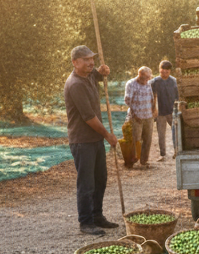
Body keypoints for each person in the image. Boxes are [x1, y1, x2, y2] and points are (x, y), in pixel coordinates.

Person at [64, 45, 119, 236]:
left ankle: (97, 216)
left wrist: (101, 72)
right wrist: (108, 135)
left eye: (92, 58)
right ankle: (86, 222)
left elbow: (96, 75)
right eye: (86, 59)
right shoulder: (75, 84)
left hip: (94, 140)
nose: (91, 62)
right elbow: (88, 118)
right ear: (75, 62)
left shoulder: (87, 76)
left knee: (100, 179)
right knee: (86, 183)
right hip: (83, 141)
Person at [124, 66, 155, 168]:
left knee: (148, 139)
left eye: (149, 78)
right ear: (140, 76)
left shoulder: (148, 84)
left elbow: (151, 97)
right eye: (146, 78)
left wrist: (154, 110)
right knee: (135, 139)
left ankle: (144, 161)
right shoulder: (131, 84)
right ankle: (131, 161)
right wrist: (134, 114)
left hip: (148, 115)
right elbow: (128, 101)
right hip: (136, 116)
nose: (147, 80)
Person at [151, 59, 179, 161]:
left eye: (167, 71)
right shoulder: (154, 82)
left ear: (170, 71)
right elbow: (151, 97)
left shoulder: (174, 81)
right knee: (161, 134)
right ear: (159, 70)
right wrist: (153, 110)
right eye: (163, 71)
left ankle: (177, 151)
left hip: (172, 111)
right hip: (160, 112)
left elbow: (178, 96)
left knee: (176, 131)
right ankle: (162, 154)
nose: (165, 73)